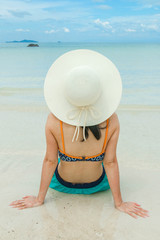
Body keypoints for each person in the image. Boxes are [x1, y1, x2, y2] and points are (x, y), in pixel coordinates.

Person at [9, 49, 149, 219]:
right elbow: (110, 162)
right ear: (99, 92)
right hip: (96, 185)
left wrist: (39, 199)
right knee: (102, 159)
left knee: (60, 156)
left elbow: (50, 161)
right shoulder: (112, 120)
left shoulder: (54, 120)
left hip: (62, 185)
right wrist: (119, 203)